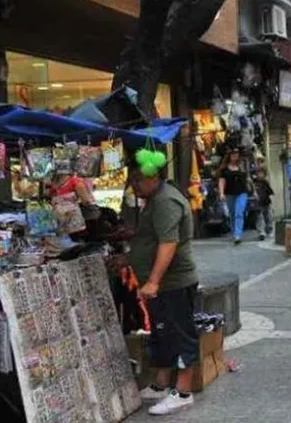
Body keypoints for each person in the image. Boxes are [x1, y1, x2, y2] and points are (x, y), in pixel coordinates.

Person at [129, 163, 199, 415]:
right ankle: (161, 384)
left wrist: (154, 281)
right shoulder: (156, 198)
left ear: (154, 176)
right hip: (163, 284)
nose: (133, 186)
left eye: (138, 180)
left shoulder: (165, 201)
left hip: (174, 283)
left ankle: (182, 391)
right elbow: (151, 240)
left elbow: (168, 243)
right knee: (163, 333)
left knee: (180, 334)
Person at [218, 150, 249, 245]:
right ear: (229, 156)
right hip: (229, 194)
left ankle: (237, 235)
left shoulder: (242, 167)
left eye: (236, 155)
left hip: (242, 193)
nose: (235, 157)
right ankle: (234, 231)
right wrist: (221, 193)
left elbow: (248, 179)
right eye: (233, 155)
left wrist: (253, 191)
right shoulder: (224, 170)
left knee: (239, 212)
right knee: (232, 213)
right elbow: (221, 181)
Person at [253, 167, 274, 241]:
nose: (260, 175)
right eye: (258, 173)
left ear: (264, 174)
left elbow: (270, 192)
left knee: (268, 217)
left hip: (266, 202)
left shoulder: (266, 182)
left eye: (262, 173)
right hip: (258, 203)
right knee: (260, 217)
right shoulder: (254, 183)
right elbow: (252, 191)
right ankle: (261, 233)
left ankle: (269, 230)